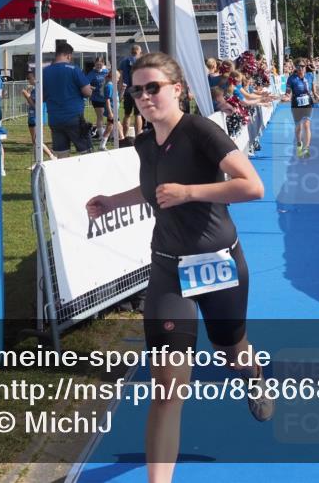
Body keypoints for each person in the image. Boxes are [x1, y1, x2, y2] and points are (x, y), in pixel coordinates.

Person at [85, 53, 271, 483]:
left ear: (177, 89)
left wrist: (191, 192)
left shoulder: (201, 131)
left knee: (231, 351)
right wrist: (113, 201)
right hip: (168, 269)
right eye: (137, 89)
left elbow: (252, 186)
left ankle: (254, 373)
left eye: (154, 87)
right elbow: (154, 191)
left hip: (218, 264)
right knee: (167, 389)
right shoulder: (145, 142)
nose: (146, 96)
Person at [42, 41, 93, 158]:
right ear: (69, 55)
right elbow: (87, 92)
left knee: (61, 156)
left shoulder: (45, 71)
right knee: (86, 153)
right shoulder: (74, 69)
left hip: (54, 118)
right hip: (73, 116)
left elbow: (42, 96)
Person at [282, 60, 319, 157]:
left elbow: (313, 85)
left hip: (308, 104)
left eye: (303, 66)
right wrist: (286, 97)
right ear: (296, 67)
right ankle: (299, 144)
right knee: (298, 127)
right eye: (299, 66)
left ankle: (306, 148)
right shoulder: (291, 79)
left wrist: (315, 93)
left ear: (305, 67)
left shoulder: (310, 76)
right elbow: (288, 92)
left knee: (306, 125)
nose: (301, 68)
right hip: (296, 104)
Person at [22, 71, 56, 164]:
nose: (28, 80)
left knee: (37, 141)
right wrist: (28, 94)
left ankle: (51, 156)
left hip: (37, 117)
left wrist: (26, 95)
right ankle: (37, 161)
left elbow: (36, 106)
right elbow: (30, 103)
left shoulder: (39, 89)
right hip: (32, 117)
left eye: (29, 78)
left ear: (35, 78)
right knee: (34, 141)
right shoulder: (34, 89)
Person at [119, 43, 143, 137]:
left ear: (131, 51)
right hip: (138, 89)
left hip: (127, 90)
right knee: (138, 114)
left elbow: (120, 77)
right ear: (139, 51)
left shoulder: (123, 61)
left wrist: (120, 91)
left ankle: (124, 136)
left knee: (127, 114)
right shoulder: (141, 61)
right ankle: (138, 136)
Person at [88, 57, 109, 139]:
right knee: (100, 117)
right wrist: (95, 88)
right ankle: (101, 135)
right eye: (97, 64)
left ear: (103, 64)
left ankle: (109, 133)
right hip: (97, 98)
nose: (99, 66)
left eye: (100, 64)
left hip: (107, 97)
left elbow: (112, 80)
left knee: (110, 116)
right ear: (94, 64)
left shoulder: (106, 72)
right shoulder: (91, 73)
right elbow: (86, 84)